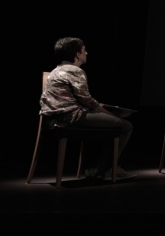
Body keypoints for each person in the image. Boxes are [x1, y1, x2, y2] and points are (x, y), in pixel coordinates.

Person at [39, 37, 136, 180]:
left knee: (110, 123)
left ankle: (106, 167)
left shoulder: (56, 70)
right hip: (70, 118)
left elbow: (79, 99)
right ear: (77, 54)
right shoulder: (75, 70)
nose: (87, 53)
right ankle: (103, 169)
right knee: (125, 126)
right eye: (84, 50)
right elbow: (87, 101)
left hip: (53, 119)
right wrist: (110, 113)